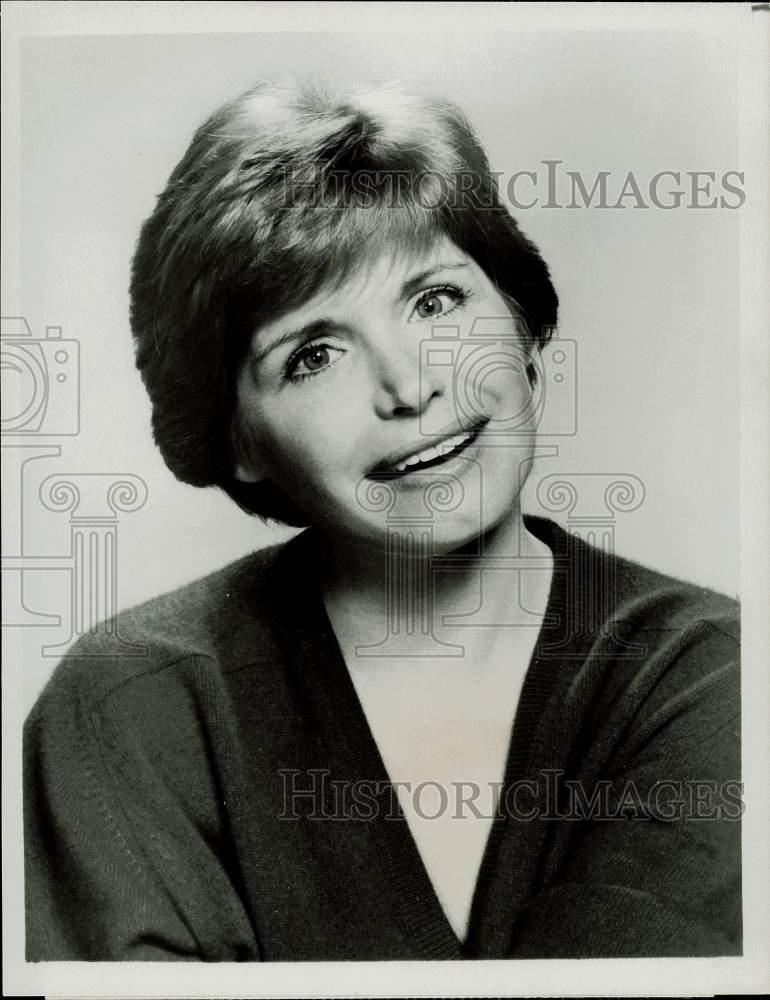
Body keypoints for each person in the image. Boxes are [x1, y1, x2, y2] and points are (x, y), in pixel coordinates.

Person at [23, 77, 741, 961]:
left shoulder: (714, 678)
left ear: (519, 321)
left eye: (435, 301)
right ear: (237, 437)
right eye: (313, 354)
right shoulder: (132, 711)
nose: (409, 386)